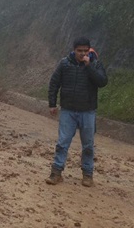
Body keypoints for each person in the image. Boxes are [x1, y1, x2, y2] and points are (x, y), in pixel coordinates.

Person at [46, 36, 108, 187]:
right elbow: (54, 83)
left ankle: (87, 175)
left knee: (88, 145)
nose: (82, 54)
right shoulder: (64, 64)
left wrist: (89, 67)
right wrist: (52, 104)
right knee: (62, 143)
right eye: (79, 51)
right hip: (68, 110)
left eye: (85, 51)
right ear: (73, 50)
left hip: (88, 111)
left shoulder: (95, 64)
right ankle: (56, 173)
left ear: (89, 50)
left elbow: (102, 82)